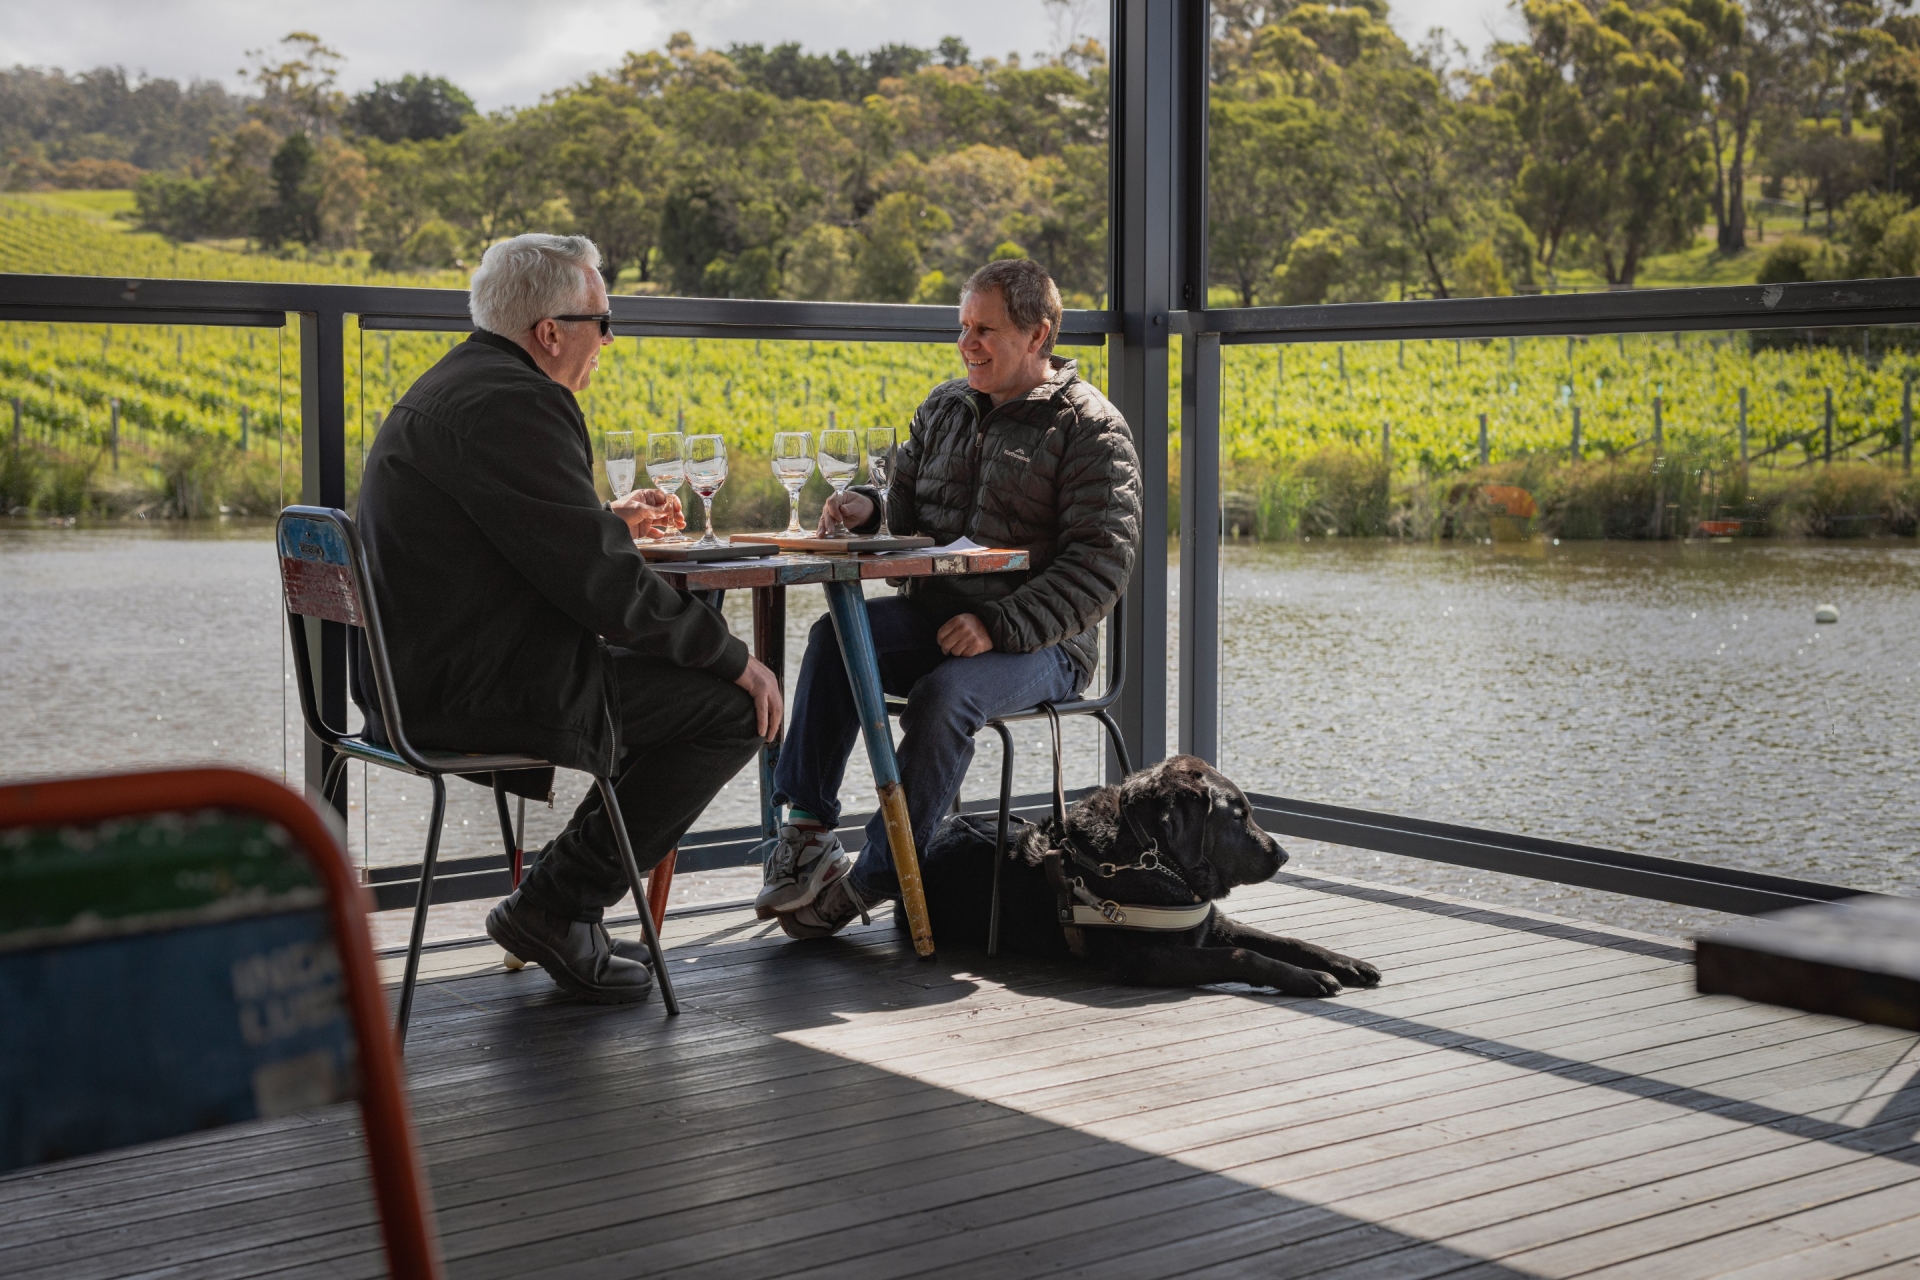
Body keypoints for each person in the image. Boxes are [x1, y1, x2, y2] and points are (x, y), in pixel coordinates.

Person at [353, 233, 783, 1003]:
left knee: (681, 676)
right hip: (469, 694)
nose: (609, 340)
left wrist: (602, 519)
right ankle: (557, 905)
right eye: (602, 322)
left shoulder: (457, 384)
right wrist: (735, 659)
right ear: (550, 332)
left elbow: (531, 543)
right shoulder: (520, 402)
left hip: (411, 681)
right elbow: (604, 591)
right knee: (730, 709)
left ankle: (559, 901)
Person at [759, 258, 1142, 938]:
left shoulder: (1091, 429)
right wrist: (867, 508)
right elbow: (908, 509)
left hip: (1047, 643)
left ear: (1039, 335)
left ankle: (877, 875)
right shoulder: (945, 407)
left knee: (946, 695)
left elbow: (1100, 566)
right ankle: (808, 831)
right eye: (963, 326)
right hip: (938, 617)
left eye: (986, 330)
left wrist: (998, 623)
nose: (968, 344)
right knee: (834, 639)